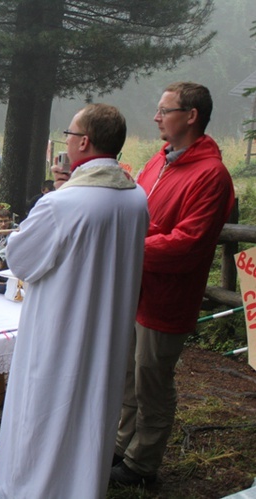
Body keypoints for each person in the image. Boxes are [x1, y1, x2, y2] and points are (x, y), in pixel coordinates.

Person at [0, 103, 149, 499]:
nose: (67, 140)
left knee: (44, 412)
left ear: (83, 142)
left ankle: (31, 489)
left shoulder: (62, 203)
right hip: (110, 332)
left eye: (70, 133)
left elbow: (21, 258)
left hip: (59, 331)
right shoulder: (137, 198)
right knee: (93, 414)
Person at [111, 82, 235, 487]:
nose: (156, 117)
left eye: (164, 110)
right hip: (136, 288)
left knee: (152, 381)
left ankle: (142, 464)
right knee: (127, 376)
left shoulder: (211, 175)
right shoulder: (158, 161)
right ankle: (120, 446)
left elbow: (190, 244)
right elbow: (135, 210)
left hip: (167, 298)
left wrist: (129, 247)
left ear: (192, 115)